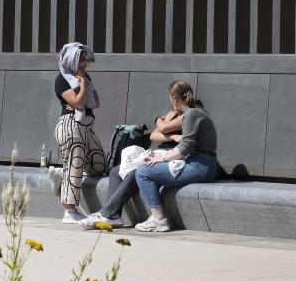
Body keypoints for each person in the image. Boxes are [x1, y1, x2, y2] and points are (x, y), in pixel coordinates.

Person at [87, 80, 217, 232]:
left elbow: (186, 145)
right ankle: (112, 215)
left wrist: (162, 158)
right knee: (123, 170)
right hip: (200, 163)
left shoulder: (191, 114)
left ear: (173, 97)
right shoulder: (193, 113)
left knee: (142, 172)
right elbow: (159, 136)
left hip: (200, 165)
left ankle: (159, 220)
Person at [80, 106, 183, 230]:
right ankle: (114, 216)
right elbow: (153, 136)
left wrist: (159, 120)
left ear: (175, 98)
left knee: (134, 173)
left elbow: (163, 128)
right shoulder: (172, 114)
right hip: (159, 152)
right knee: (115, 171)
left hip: (172, 155)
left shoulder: (188, 115)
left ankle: (106, 213)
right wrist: (172, 136)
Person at [48, 43, 107, 224]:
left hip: (87, 125)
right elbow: (79, 104)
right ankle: (69, 211)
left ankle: (61, 173)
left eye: (86, 60)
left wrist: (85, 83)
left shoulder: (85, 76)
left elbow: (95, 102)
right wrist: (82, 84)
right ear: (72, 60)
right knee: (76, 164)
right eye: (82, 60)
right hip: (71, 125)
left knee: (100, 166)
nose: (85, 64)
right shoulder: (62, 79)